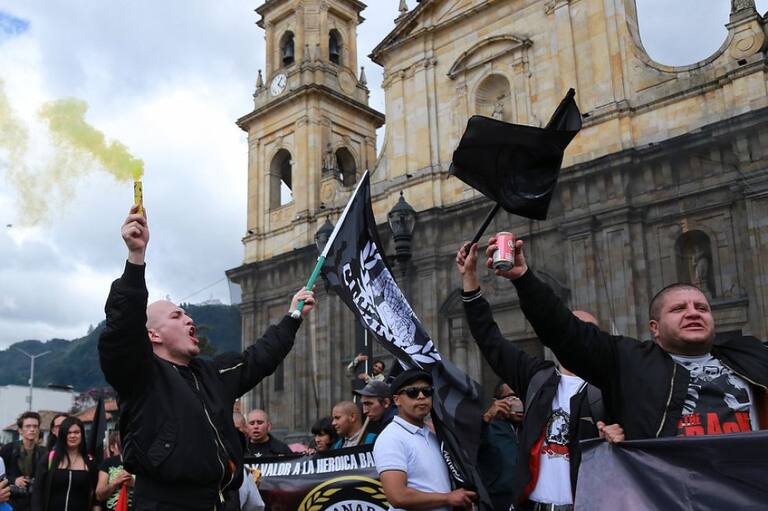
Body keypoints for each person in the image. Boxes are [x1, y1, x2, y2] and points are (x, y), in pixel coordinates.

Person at [98, 205, 316, 510]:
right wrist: (136, 258)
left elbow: (259, 357)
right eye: (176, 315)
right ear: (153, 335)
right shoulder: (140, 374)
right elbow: (122, 329)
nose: (189, 320)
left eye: (187, 314)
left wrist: (293, 316)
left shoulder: (212, 373)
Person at [480, 233, 768, 439]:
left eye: (701, 308)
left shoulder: (751, 355)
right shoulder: (628, 362)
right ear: (654, 328)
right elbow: (564, 331)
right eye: (679, 309)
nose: (693, 313)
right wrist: (524, 279)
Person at [457, 242, 624, 510]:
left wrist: (621, 439)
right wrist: (469, 278)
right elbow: (489, 339)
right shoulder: (537, 378)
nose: (577, 338)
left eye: (587, 332)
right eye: (571, 328)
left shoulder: (614, 387)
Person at [373, 369, 477, 510]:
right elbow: (398, 496)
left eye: (427, 391)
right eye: (412, 392)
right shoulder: (391, 438)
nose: (421, 396)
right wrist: (448, 498)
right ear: (397, 400)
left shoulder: (434, 436)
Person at [31, 417, 98, 511]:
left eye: (76, 432)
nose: (72, 436)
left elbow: (96, 494)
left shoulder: (90, 461)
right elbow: (38, 491)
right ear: (62, 435)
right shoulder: (49, 458)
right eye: (68, 432)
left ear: (82, 435)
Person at [477, 382, 522, 511]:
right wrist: (488, 416)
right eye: (512, 398)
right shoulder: (488, 426)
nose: (518, 403)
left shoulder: (532, 427)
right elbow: (469, 446)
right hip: (497, 500)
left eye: (521, 397)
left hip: (526, 500)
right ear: (496, 401)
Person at [0, 411, 46, 511]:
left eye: (35, 426)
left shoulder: (44, 453)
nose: (32, 429)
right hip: (11, 501)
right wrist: (14, 480)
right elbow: (1, 473)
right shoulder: (8, 449)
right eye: (28, 426)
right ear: (20, 430)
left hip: (33, 503)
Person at [95, 432, 133, 511]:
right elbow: (99, 495)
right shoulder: (108, 463)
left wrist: (133, 482)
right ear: (112, 448)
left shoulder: (138, 461)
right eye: (120, 444)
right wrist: (116, 481)